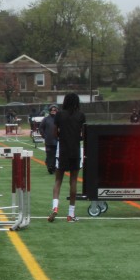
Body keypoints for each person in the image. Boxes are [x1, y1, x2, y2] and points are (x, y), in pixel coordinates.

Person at [49, 93, 86, 223]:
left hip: (62, 150)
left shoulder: (59, 115)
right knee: (73, 181)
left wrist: (62, 136)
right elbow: (83, 134)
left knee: (58, 180)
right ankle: (70, 214)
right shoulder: (81, 115)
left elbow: (55, 133)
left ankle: (55, 207)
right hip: (75, 150)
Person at [40, 105, 59, 174]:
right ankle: (50, 167)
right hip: (49, 140)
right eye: (52, 110)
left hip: (57, 140)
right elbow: (41, 128)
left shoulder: (59, 119)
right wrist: (44, 135)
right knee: (49, 154)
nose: (53, 111)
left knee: (56, 154)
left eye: (54, 110)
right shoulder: (46, 119)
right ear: (49, 111)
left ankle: (54, 167)